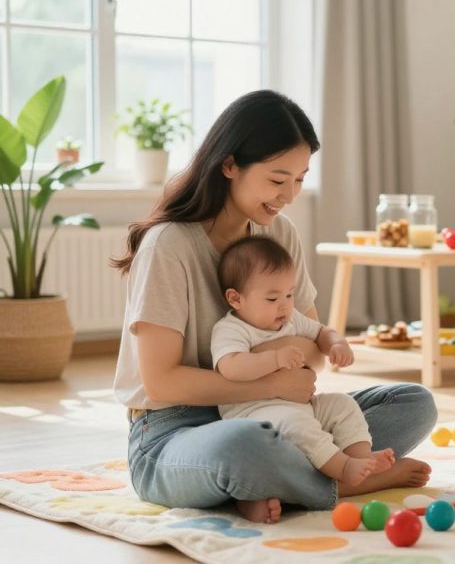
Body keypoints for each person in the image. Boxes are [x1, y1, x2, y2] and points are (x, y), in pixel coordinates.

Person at [112, 90, 435, 524]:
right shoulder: (168, 245)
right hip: (174, 429)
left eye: (299, 180)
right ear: (230, 165)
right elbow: (162, 383)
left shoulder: (279, 234)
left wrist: (272, 372)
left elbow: (314, 352)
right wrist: (268, 381)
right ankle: (342, 481)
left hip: (284, 413)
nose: (290, 195)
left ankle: (273, 482)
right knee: (243, 445)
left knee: (412, 402)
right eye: (278, 180)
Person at [212, 235, 395, 487]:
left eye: (290, 294)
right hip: (256, 414)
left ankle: (361, 460)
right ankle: (342, 468)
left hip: (302, 405)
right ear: (235, 299)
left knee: (343, 404)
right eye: (272, 299)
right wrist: (275, 358)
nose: (284, 306)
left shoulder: (291, 319)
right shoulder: (231, 329)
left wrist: (337, 344)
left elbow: (321, 332)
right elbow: (230, 367)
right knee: (298, 425)